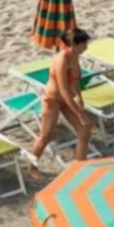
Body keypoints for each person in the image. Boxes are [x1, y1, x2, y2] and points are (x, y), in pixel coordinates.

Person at [29, 26, 93, 170]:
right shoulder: (61, 60)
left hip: (66, 100)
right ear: (74, 45)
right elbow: (63, 90)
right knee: (46, 136)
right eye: (84, 44)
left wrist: (79, 97)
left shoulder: (75, 56)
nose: (86, 47)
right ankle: (31, 167)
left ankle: (80, 166)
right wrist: (80, 114)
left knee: (85, 130)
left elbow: (76, 80)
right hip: (52, 101)